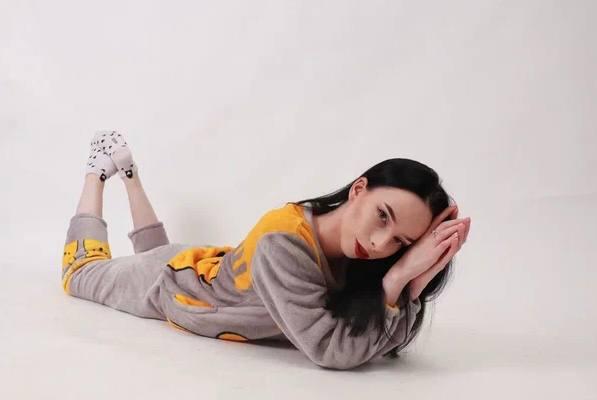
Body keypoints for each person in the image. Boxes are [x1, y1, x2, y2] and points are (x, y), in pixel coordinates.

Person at [62, 130, 471, 370]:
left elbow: (384, 344)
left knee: (159, 250)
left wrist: (413, 282)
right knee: (79, 273)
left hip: (205, 267)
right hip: (168, 284)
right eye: (382, 216)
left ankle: (131, 176)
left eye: (401, 243)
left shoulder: (355, 254)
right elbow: (332, 349)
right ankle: (97, 173)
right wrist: (397, 278)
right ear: (359, 189)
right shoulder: (283, 241)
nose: (381, 244)